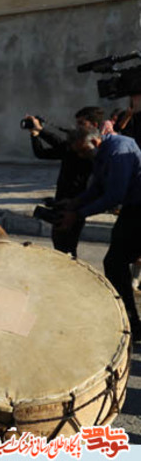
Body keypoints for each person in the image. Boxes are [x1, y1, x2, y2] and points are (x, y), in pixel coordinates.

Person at [59, 127, 141, 339]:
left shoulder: (118, 150)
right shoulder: (103, 153)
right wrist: (76, 203)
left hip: (138, 209)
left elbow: (114, 195)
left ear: (95, 142)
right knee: (116, 262)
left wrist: (77, 215)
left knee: (115, 262)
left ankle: (131, 320)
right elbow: (98, 188)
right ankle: (131, 321)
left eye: (83, 151)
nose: (81, 156)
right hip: (133, 210)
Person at [25, 107, 105, 256]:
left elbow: (62, 144)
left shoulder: (91, 149)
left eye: (81, 123)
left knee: (67, 245)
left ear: (93, 125)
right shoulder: (74, 146)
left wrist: (41, 131)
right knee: (60, 244)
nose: (77, 128)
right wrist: (35, 134)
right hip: (62, 198)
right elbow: (42, 153)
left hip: (77, 200)